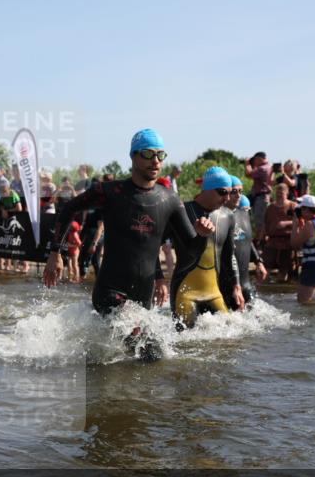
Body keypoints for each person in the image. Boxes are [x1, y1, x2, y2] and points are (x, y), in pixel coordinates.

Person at [44, 129, 213, 358]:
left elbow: (191, 252)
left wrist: (202, 236)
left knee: (141, 359)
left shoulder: (169, 199)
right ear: (133, 156)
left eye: (160, 155)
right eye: (148, 154)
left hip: (142, 300)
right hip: (109, 291)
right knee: (150, 354)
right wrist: (56, 253)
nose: (155, 161)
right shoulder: (111, 192)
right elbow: (68, 209)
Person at [167, 167, 243, 327]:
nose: (227, 198)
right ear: (206, 189)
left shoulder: (227, 216)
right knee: (186, 344)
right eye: (222, 192)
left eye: (230, 193)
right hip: (184, 292)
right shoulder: (182, 211)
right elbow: (154, 246)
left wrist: (236, 286)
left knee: (229, 339)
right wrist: (159, 279)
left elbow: (229, 255)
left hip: (214, 292)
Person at [226, 180, 267, 308]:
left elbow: (247, 240)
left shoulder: (242, 214)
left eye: (240, 191)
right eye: (234, 191)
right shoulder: (218, 217)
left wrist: (258, 261)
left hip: (244, 282)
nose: (238, 195)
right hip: (226, 285)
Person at [262, 183, 298, 283]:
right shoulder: (270, 208)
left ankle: (281, 290)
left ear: (286, 193)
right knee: (266, 266)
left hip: (287, 241)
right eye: (277, 192)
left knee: (284, 269)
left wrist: (285, 223)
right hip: (272, 241)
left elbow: (300, 221)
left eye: (281, 192)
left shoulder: (293, 206)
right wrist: (262, 237)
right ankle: (265, 289)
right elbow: (265, 224)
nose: (278, 195)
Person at [244, 152, 273, 241]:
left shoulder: (262, 169)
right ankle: (261, 240)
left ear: (259, 158)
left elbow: (248, 174)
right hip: (263, 197)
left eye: (255, 160)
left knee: (259, 221)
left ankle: (260, 242)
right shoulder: (269, 167)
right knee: (262, 220)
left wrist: (247, 164)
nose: (254, 162)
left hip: (261, 198)